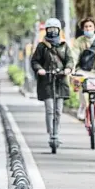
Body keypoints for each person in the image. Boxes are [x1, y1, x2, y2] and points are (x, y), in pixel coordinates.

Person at [30, 18, 75, 146]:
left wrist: (68, 68)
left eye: (55, 29)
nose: (52, 32)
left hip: (60, 81)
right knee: (50, 109)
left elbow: (70, 60)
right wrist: (39, 69)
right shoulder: (42, 46)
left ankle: (57, 133)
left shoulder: (64, 45)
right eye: (50, 29)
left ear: (59, 30)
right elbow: (35, 61)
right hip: (47, 82)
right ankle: (51, 134)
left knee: (58, 110)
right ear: (46, 30)